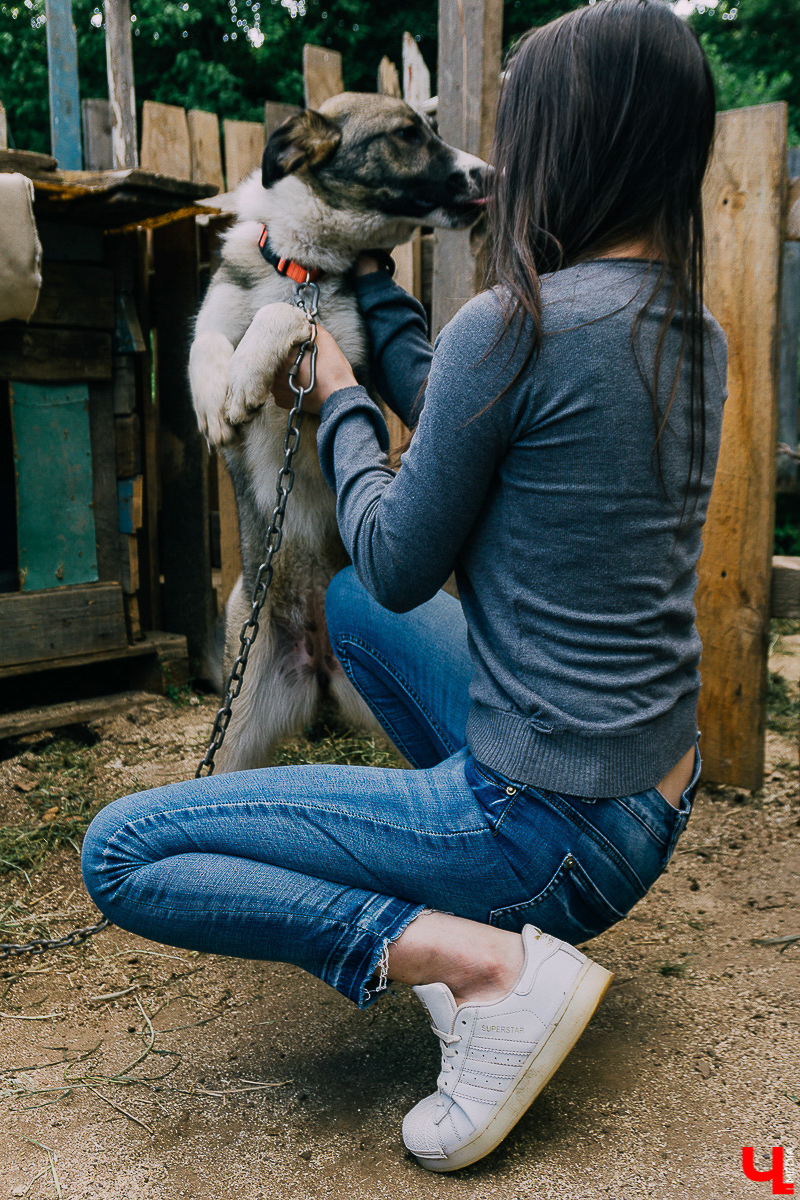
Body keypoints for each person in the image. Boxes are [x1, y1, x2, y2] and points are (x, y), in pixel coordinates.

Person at [81, 0, 727, 1173]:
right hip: (654, 788)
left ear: (560, 146)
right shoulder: (687, 327)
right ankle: (470, 890)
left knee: (122, 852)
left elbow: (391, 545)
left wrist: (333, 393)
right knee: (347, 613)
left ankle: (482, 967)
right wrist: (378, 307)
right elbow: (469, 426)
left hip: (544, 828)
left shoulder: (511, 325)